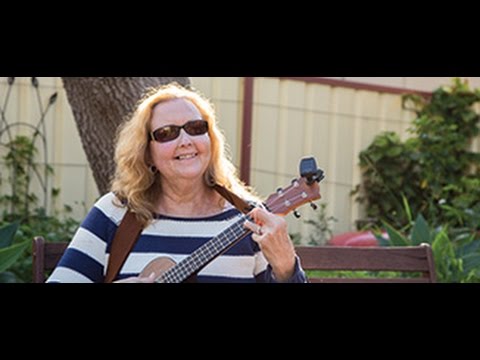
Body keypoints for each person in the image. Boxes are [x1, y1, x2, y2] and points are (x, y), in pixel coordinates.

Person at [47, 83, 307, 283]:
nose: (185, 141)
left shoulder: (250, 218)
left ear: (210, 141)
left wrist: (286, 266)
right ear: (147, 152)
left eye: (196, 128)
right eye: (167, 133)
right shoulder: (115, 212)